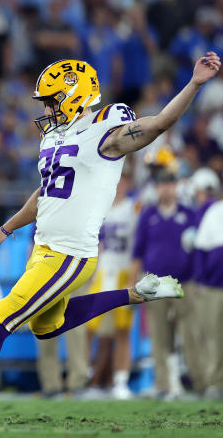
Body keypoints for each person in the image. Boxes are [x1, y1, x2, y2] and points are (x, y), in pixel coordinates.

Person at [0, 52, 220, 424]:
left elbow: (159, 123)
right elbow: (45, 194)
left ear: (73, 96)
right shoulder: (56, 136)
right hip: (44, 246)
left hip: (71, 252)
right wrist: (6, 229)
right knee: (46, 327)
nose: (47, 109)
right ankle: (138, 294)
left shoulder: (107, 129)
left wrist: (194, 84)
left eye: (52, 100)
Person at [129, 169, 201, 398]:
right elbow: (138, 252)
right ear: (157, 187)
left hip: (185, 282)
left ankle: (199, 382)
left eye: (170, 183)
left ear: (176, 186)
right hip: (156, 283)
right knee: (159, 335)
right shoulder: (148, 215)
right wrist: (133, 284)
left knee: (190, 334)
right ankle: (162, 384)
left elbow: (199, 249)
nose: (166, 188)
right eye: (162, 184)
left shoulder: (189, 214)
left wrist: (199, 280)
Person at [85, 168, 138, 399]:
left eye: (123, 181)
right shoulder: (101, 207)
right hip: (103, 271)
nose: (119, 185)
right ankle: (87, 377)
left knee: (122, 331)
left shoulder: (135, 208)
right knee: (89, 328)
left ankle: (120, 381)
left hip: (124, 271)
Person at [195, 163, 223, 399]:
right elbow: (201, 248)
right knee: (217, 337)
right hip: (218, 287)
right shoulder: (216, 212)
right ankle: (219, 384)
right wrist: (203, 280)